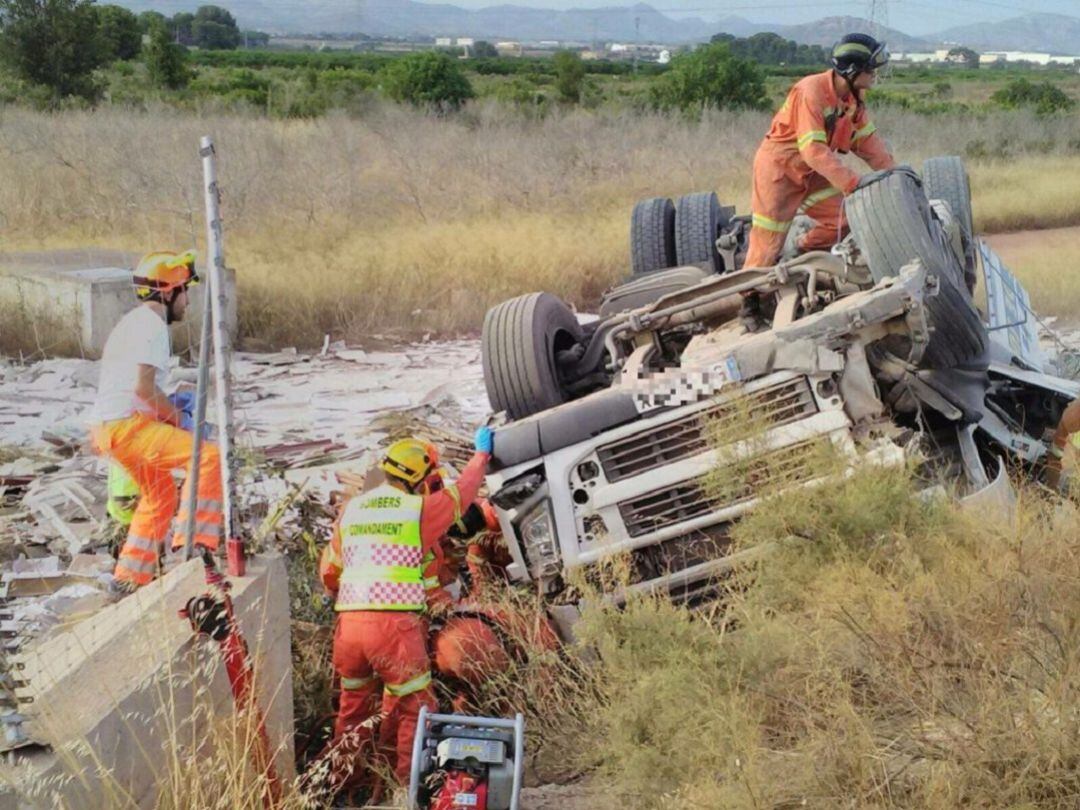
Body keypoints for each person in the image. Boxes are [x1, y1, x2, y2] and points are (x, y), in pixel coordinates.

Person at [318, 428, 493, 790]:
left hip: (349, 629)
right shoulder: (416, 511)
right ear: (419, 479)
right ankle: (404, 789)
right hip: (393, 629)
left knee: (352, 711)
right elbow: (461, 496)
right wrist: (481, 457)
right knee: (415, 709)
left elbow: (330, 571)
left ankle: (345, 788)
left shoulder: (352, 511)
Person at [89, 251, 222, 591]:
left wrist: (168, 413)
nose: (188, 301)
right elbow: (144, 388)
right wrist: (178, 418)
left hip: (108, 429)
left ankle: (129, 579)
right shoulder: (152, 326)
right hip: (126, 427)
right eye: (184, 291)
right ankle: (195, 544)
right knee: (207, 457)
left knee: (159, 494)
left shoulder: (131, 322)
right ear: (167, 292)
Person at [744, 33, 897, 269]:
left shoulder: (852, 98)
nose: (875, 73)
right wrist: (852, 183)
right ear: (852, 70)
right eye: (870, 69)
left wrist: (894, 175)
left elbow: (868, 141)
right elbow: (813, 150)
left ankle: (799, 252)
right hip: (779, 172)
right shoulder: (811, 91)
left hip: (810, 173)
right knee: (768, 246)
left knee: (845, 219)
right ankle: (750, 298)